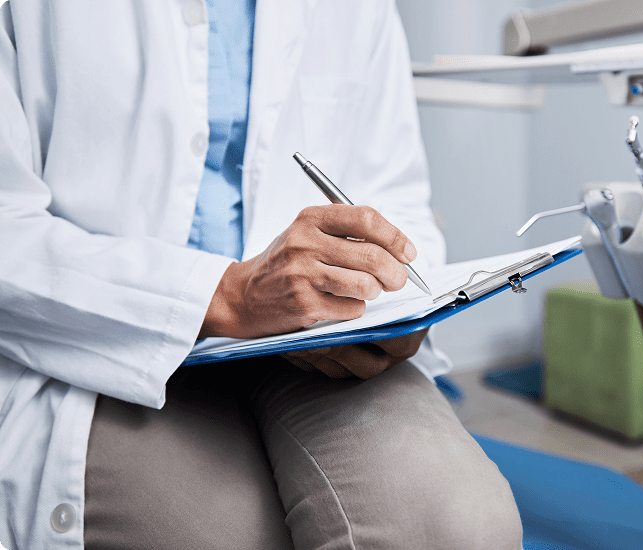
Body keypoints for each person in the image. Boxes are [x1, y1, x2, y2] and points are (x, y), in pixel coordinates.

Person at [0, 0, 523, 548]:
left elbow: (396, 198)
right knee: (229, 535)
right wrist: (227, 298)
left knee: (457, 523)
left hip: (314, 347)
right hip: (102, 341)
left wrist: (395, 299)